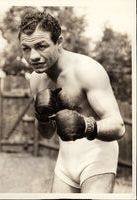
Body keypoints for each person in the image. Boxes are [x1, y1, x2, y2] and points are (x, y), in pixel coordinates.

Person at [18, 11, 125, 193]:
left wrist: (86, 126)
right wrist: (42, 117)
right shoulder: (36, 80)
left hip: (97, 156)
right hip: (66, 159)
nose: (33, 56)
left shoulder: (87, 71)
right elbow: (46, 134)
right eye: (26, 48)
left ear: (59, 42)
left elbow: (119, 127)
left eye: (41, 46)